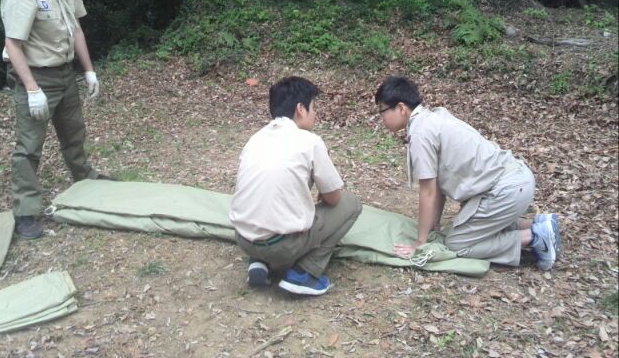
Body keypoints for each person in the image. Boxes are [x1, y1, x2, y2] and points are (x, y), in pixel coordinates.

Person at [375, 76, 561, 271]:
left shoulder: (421, 132)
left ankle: (534, 237)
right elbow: (437, 187)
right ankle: (538, 224)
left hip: (505, 191)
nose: (382, 118)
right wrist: (433, 225)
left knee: (457, 244)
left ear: (401, 108)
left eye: (382, 111)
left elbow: (427, 192)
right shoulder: (433, 118)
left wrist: (420, 243)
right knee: (468, 228)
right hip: (516, 180)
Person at [1, 0, 109, 240]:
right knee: (29, 147)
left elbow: (75, 29)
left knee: (74, 133)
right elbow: (13, 45)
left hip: (64, 72)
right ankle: (26, 212)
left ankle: (85, 182)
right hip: (35, 76)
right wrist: (32, 89)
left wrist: (88, 70)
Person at [230, 76, 362, 295]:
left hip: (243, 238)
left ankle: (258, 262)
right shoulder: (309, 141)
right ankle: (304, 274)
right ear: (301, 109)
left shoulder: (255, 139)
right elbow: (334, 198)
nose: (315, 113)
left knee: (264, 203)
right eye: (313, 107)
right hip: (281, 247)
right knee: (351, 204)